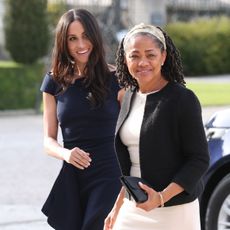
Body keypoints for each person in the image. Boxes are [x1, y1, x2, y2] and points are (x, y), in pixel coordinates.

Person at [104, 23, 210, 230]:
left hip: (174, 210)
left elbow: (199, 160)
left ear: (163, 57)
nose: (142, 62)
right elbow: (131, 163)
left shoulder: (183, 99)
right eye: (134, 56)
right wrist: (117, 208)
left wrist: (160, 198)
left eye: (150, 55)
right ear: (125, 60)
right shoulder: (128, 97)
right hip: (132, 206)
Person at [40, 8, 122, 230]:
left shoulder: (117, 79)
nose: (80, 44)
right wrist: (66, 154)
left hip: (110, 173)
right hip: (73, 175)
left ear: (95, 36)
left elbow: (133, 130)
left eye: (85, 36)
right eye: (72, 39)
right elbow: (48, 140)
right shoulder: (53, 83)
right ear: (63, 42)